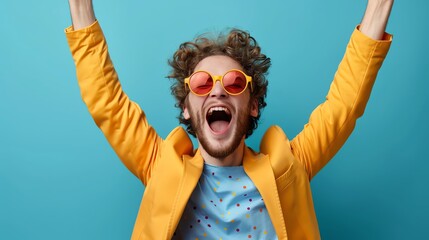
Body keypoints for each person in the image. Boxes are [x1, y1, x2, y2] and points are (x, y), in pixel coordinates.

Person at [66, 0, 393, 239]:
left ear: (252, 105)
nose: (218, 92)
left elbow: (344, 105)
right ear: (187, 108)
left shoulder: (289, 167)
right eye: (202, 83)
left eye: (234, 83)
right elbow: (107, 102)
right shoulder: (159, 165)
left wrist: (378, 8)